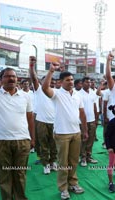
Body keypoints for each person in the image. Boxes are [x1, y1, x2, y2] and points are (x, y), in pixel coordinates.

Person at [42, 63, 88, 199]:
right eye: (67, 80)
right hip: (62, 134)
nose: (71, 82)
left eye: (72, 79)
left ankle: (73, 183)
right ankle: (63, 188)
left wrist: (84, 130)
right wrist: (51, 71)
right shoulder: (56, 94)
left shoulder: (77, 96)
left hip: (76, 132)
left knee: (73, 160)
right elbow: (45, 88)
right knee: (63, 162)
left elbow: (82, 113)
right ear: (60, 82)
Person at [0, 67, 35, 200]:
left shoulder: (25, 96)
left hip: (22, 141)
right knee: (5, 175)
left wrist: (32, 138)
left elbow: (30, 118)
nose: (11, 78)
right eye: (7, 76)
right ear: (1, 80)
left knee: (20, 174)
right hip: (1, 141)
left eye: (13, 76)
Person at [29, 56, 58, 175]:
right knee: (44, 144)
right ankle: (45, 164)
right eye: (47, 80)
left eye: (53, 81)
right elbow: (33, 77)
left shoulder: (56, 92)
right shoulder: (39, 89)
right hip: (41, 121)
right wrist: (31, 66)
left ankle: (53, 162)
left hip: (55, 122)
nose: (51, 82)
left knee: (54, 144)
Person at [78, 77, 99, 167]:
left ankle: (89, 156)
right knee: (83, 139)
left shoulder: (93, 93)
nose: (89, 84)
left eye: (90, 82)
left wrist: (96, 119)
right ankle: (83, 157)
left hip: (92, 120)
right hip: (82, 122)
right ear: (82, 83)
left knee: (91, 139)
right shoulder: (78, 94)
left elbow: (94, 106)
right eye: (87, 82)